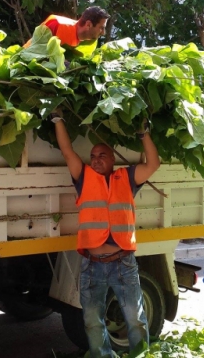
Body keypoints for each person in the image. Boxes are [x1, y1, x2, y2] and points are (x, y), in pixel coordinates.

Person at [50, 108, 159, 358]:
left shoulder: (127, 177)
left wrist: (143, 134)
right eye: (92, 155)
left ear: (112, 160)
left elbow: (153, 163)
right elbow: (67, 151)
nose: (96, 159)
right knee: (92, 322)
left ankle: (141, 355)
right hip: (91, 265)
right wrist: (58, 120)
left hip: (122, 263)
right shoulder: (83, 177)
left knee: (136, 319)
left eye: (102, 155)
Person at [24, 6, 110, 56]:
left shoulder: (81, 42)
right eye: (101, 28)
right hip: (23, 62)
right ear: (88, 25)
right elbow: (37, 49)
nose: (103, 33)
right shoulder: (58, 24)